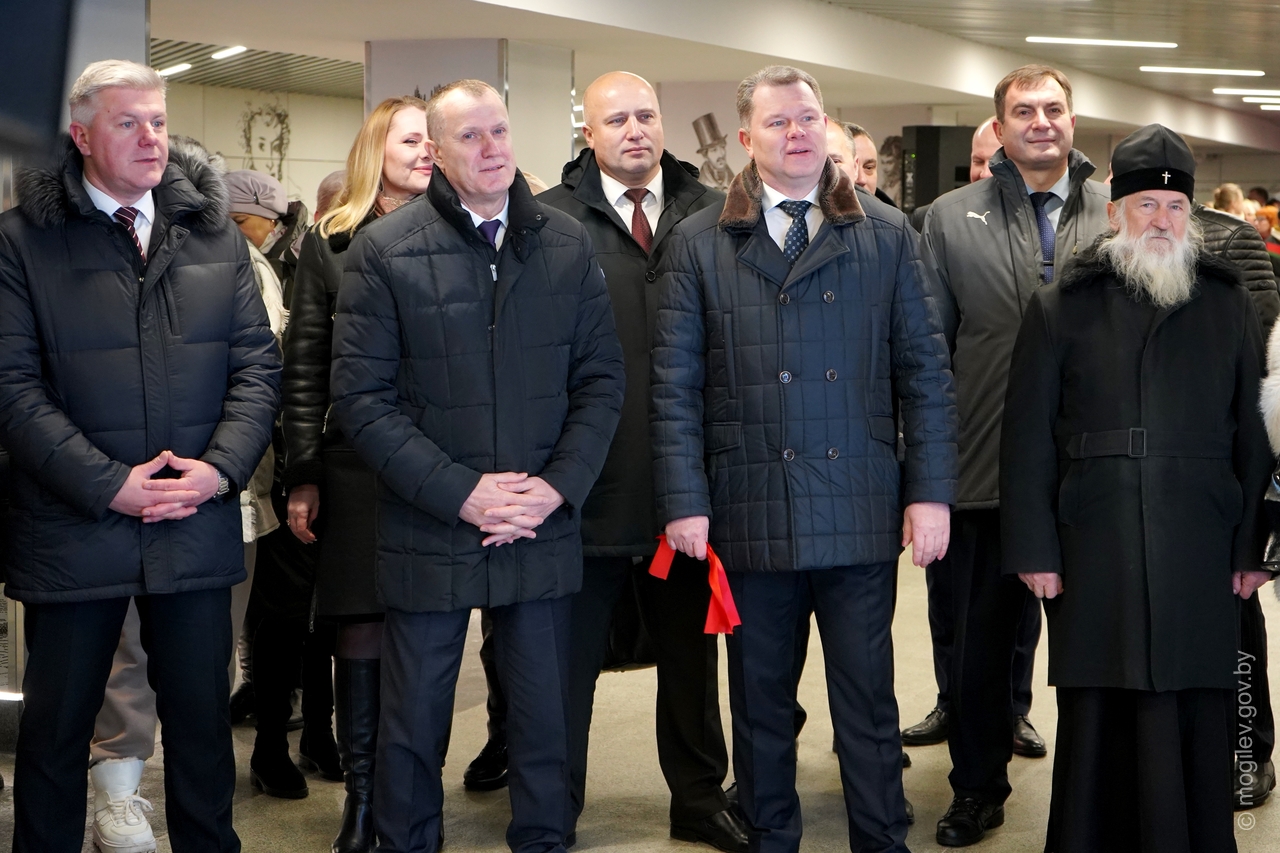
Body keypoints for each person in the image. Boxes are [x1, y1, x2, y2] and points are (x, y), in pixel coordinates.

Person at [651, 64, 956, 853]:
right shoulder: (698, 241)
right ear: (745, 138)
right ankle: (771, 839)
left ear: (827, 127)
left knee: (868, 703)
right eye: (778, 121)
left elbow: (925, 373)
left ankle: (881, 841)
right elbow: (674, 385)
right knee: (758, 706)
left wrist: (930, 492)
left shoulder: (887, 233)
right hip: (750, 505)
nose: (797, 133)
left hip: (858, 502)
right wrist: (684, 498)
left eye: (809, 118)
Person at [329, 78, 625, 853]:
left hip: (538, 519)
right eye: (470, 135)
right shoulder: (384, 251)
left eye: (500, 131)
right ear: (436, 151)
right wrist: (461, 493)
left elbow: (602, 381)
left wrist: (554, 488)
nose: (492, 148)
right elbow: (361, 400)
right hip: (430, 524)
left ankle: (545, 840)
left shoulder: (566, 244)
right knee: (413, 722)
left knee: (543, 718)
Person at [0, 59, 280, 852]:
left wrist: (218, 470)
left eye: (158, 121)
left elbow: (257, 368)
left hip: (194, 519)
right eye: (127, 123)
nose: (151, 137)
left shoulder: (213, 236)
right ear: (82, 136)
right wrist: (109, 484)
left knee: (202, 729)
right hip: (72, 528)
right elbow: (12, 388)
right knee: (56, 733)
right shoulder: (21, 242)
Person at [1001, 122, 1274, 853]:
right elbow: (1025, 438)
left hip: (1201, 534)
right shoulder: (1059, 305)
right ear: (1115, 209)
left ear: (1192, 215)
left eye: (1175, 206)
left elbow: (1255, 434)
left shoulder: (1227, 303)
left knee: (1197, 701)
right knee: (1099, 701)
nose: (1161, 219)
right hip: (1095, 534)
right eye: (1146, 204)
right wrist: (1034, 548)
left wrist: (1254, 547)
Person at [536, 70, 741, 849]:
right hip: (585, 484)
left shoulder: (714, 213)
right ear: (587, 133)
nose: (634, 130)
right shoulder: (548, 220)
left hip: (683, 485)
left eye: (646, 115)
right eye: (615, 119)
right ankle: (552, 808)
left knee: (691, 663)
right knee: (566, 666)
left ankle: (699, 800)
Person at [918, 63, 1111, 846]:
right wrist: (926, 475)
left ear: (1073, 121)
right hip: (982, 471)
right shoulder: (948, 218)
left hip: (1093, 480)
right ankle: (976, 787)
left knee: (1095, 649)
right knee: (979, 649)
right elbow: (926, 354)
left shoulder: (1113, 213)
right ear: (999, 128)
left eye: (1054, 108)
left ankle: (1098, 794)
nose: (1041, 122)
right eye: (1024, 110)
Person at [280, 94, 430, 852]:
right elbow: (304, 364)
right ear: (377, 151)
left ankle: (414, 795)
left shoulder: (461, 230)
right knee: (361, 628)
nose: (427, 151)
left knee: (428, 632)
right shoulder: (330, 242)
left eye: (433, 140)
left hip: (442, 463)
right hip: (355, 464)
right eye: (411, 141)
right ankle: (364, 800)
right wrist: (303, 472)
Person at [903, 112, 1046, 760]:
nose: (992, 170)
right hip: (963, 445)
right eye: (983, 161)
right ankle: (951, 699)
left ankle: (1013, 709)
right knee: (952, 597)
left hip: (1025, 446)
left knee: (1019, 597)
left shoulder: (1046, 233)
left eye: (999, 160)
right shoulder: (941, 223)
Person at [693, 113, 735, 192]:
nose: (721, 154)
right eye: (714, 150)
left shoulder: (735, 180)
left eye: (722, 147)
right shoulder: (700, 185)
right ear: (705, 155)